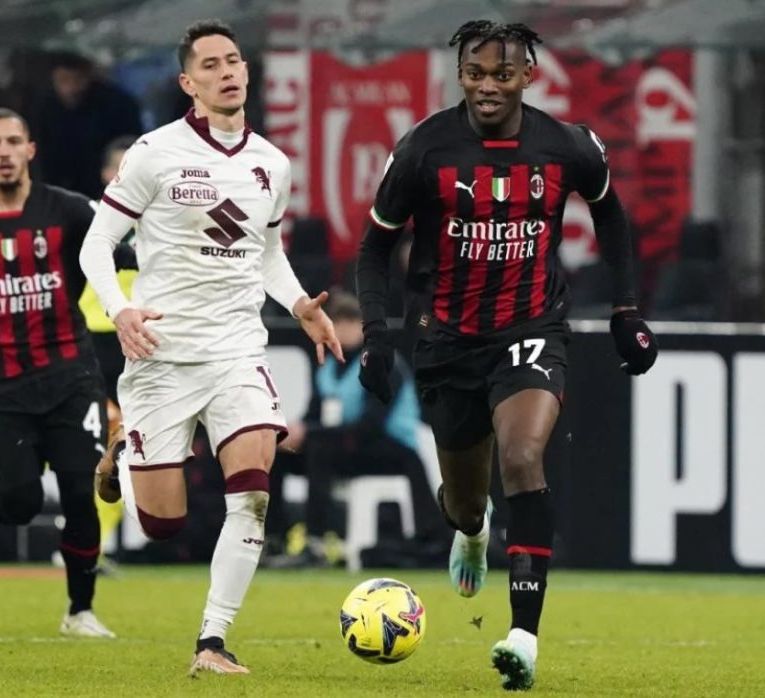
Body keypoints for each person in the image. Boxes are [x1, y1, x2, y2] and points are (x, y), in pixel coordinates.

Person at [356, 20, 658, 691]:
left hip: (531, 326)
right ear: (460, 75)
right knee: (467, 504)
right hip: (446, 339)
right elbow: (375, 246)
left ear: (528, 75)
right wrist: (376, 335)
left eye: (501, 73)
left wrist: (625, 309)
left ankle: (523, 636)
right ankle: (472, 531)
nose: (487, 86)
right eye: (475, 73)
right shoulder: (423, 150)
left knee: (522, 458)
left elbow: (610, 215)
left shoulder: (568, 146)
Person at [79, 19, 343, 676]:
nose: (227, 72)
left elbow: (267, 253)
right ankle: (123, 451)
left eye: (234, 60)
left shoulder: (272, 164)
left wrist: (301, 305)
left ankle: (213, 641)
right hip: (162, 356)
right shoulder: (154, 153)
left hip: (236, 351)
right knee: (162, 525)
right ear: (188, 82)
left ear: (246, 71)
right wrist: (121, 309)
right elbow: (96, 244)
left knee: (252, 493)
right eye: (211, 64)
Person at [0, 108, 115, 638]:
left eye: (13, 141)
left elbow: (112, 250)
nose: (4, 152)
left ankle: (80, 611)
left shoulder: (69, 210)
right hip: (0, 379)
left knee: (79, 489)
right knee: (21, 502)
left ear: (30, 150)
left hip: (70, 372)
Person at [268, 288, 445, 568]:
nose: (343, 330)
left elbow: (370, 426)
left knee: (318, 447)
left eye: (350, 322)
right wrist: (297, 431)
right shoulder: (328, 366)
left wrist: (310, 433)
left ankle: (316, 542)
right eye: (337, 322)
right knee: (282, 452)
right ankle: (274, 538)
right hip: (345, 447)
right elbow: (314, 415)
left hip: (393, 450)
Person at [78, 135, 139, 576]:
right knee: (93, 443)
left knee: (122, 450)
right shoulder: (89, 219)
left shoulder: (162, 223)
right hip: (92, 342)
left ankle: (93, 548)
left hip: (138, 346)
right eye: (120, 168)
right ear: (105, 175)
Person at [31, 51, 143, 200]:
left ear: (89, 77)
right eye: (64, 80)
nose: (71, 88)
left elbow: (131, 150)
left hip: (108, 192)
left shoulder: (117, 105)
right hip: (57, 192)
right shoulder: (43, 107)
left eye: (77, 80)